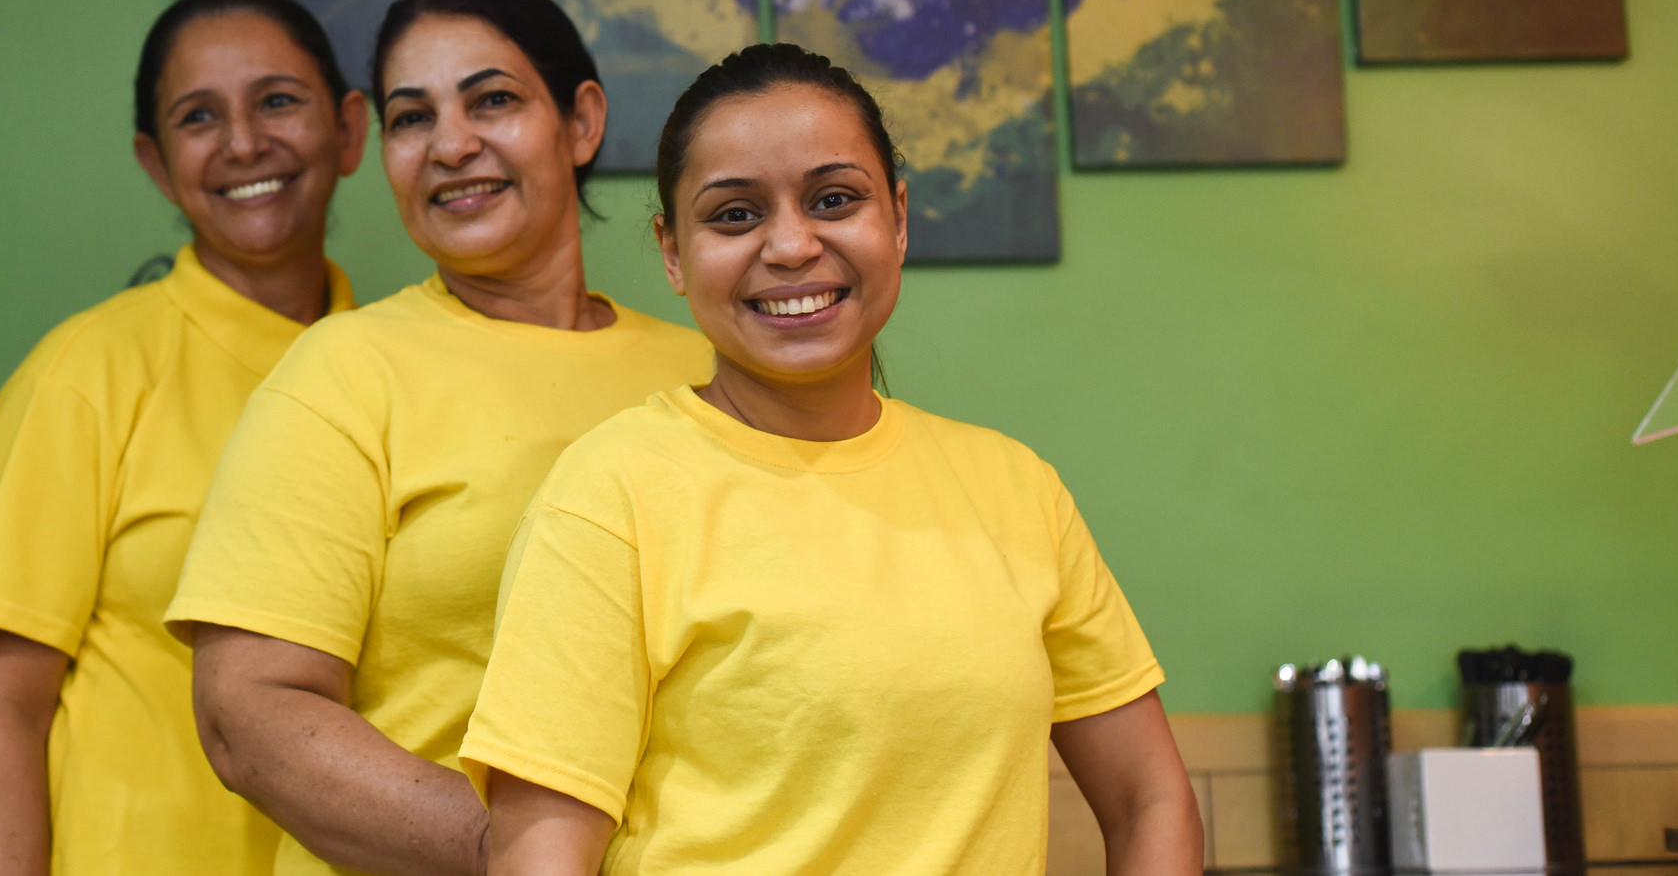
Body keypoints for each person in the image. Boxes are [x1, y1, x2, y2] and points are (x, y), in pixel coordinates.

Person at [461, 43, 1205, 876]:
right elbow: (540, 858)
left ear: (898, 217)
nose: (790, 245)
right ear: (672, 253)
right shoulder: (610, 496)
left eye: (834, 199)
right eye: (735, 214)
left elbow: (1152, 798)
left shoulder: (1015, 488)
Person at [166, 0, 713, 876]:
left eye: (492, 99)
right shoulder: (344, 370)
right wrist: (528, 855)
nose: (452, 145)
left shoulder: (703, 370)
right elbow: (248, 713)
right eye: (412, 118)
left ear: (581, 120)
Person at [0, 0, 369, 876]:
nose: (244, 142)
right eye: (198, 116)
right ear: (156, 161)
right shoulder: (84, 372)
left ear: (350, 128)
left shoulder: (400, 368)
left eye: (278, 101)